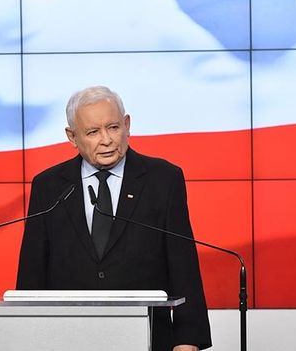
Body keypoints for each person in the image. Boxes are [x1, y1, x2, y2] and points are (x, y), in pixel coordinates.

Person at [16, 86, 212, 351]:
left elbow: (183, 265)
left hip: (148, 337)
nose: (106, 140)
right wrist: (26, 337)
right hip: (66, 338)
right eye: (93, 132)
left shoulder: (163, 179)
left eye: (113, 127)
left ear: (127, 124)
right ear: (72, 136)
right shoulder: (49, 186)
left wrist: (188, 340)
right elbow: (32, 273)